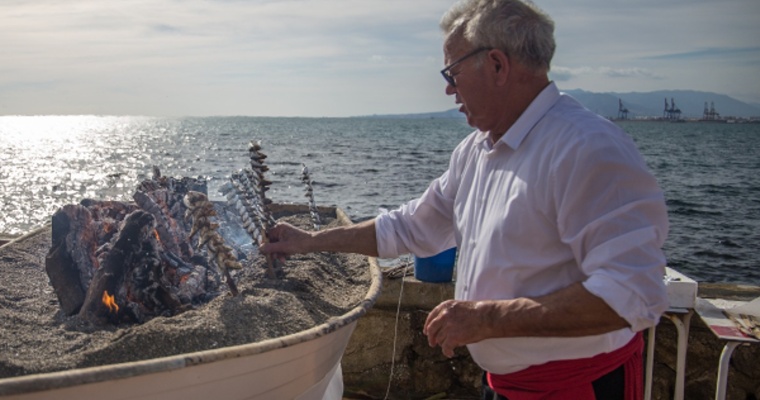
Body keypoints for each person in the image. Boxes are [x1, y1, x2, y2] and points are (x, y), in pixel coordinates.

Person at [259, 0, 669, 399]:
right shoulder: (476, 151)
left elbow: (631, 293)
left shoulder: (587, 147)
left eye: (453, 71)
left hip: (576, 387)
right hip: (503, 385)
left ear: (496, 64)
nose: (448, 88)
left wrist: (487, 317)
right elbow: (409, 227)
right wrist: (310, 242)